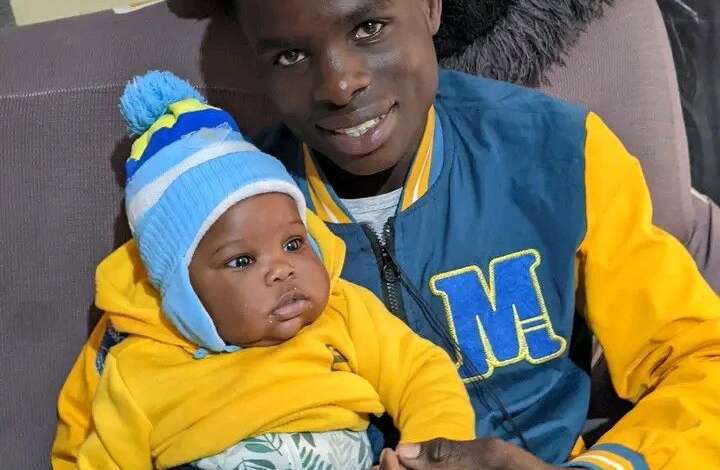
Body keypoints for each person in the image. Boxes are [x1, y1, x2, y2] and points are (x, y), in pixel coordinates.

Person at [53, 0, 720, 469]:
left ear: (430, 8)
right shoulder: (220, 214)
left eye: (369, 27)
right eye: (291, 54)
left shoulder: (557, 153)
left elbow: (701, 360)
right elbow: (97, 418)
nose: (340, 84)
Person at [72, 71, 474, 469]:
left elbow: (421, 374)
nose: (282, 269)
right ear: (180, 289)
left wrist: (428, 453)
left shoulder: (342, 312)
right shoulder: (139, 369)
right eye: (242, 261)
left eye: (294, 244)